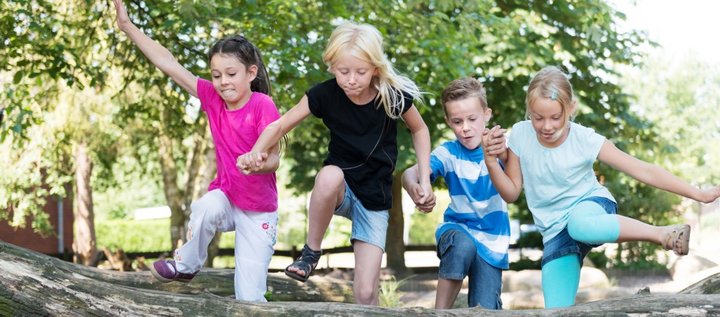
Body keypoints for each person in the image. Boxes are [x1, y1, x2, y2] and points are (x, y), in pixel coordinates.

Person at [481, 65, 720, 308]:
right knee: (555, 311)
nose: (547, 126)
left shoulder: (584, 139)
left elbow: (641, 169)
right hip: (555, 233)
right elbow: (510, 193)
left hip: (590, 207)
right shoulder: (520, 135)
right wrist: (491, 160)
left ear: (571, 108)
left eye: (556, 117)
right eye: (538, 118)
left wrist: (697, 193)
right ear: (529, 112)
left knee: (579, 225)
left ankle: (662, 234)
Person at [237, 21, 434, 305]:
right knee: (328, 175)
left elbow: (420, 129)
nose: (351, 79)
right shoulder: (324, 94)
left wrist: (425, 180)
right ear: (332, 66)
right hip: (340, 186)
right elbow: (279, 127)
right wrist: (255, 152)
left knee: (365, 294)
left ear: (375, 69)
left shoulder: (392, 95)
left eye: (360, 72)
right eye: (343, 71)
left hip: (374, 198)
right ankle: (310, 254)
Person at [112, 0, 281, 302]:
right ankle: (186, 265)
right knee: (205, 207)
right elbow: (168, 63)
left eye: (231, 74)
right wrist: (127, 26)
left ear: (250, 72)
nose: (223, 82)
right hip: (227, 198)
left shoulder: (262, 106)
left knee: (249, 300)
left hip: (258, 211)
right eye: (216, 75)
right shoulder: (212, 98)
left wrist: (259, 162)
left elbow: (275, 159)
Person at [402, 78, 510, 309]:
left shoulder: (501, 144)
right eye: (457, 121)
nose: (465, 127)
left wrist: (504, 155)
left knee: (486, 309)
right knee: (463, 246)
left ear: (487, 114)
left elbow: (515, 174)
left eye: (472, 119)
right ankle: (440, 313)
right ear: (448, 121)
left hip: (492, 242)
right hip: (457, 230)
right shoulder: (448, 153)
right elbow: (408, 175)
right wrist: (418, 188)